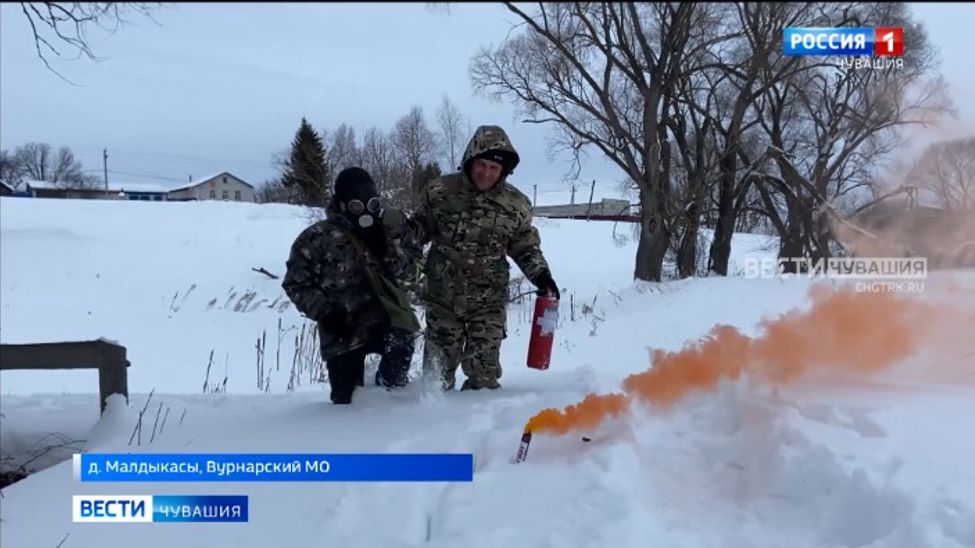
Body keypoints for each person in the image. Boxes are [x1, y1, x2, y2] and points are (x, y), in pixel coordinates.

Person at [410, 125, 559, 391]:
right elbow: (420, 228)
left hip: (487, 303)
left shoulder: (516, 205)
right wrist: (401, 242)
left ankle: (476, 430)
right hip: (442, 299)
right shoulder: (440, 192)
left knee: (484, 380)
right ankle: (430, 428)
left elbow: (525, 247)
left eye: (494, 168)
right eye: (482, 164)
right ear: (470, 160)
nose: (486, 173)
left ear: (504, 170)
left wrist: (541, 275)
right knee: (435, 383)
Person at [282, 167, 420, 404]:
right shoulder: (316, 238)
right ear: (342, 203)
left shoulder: (386, 231)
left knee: (394, 389)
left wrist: (388, 246)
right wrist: (327, 314)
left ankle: (390, 406)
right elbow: (296, 284)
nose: (365, 212)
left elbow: (409, 271)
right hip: (341, 329)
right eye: (357, 206)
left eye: (371, 204)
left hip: (383, 320)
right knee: (346, 402)